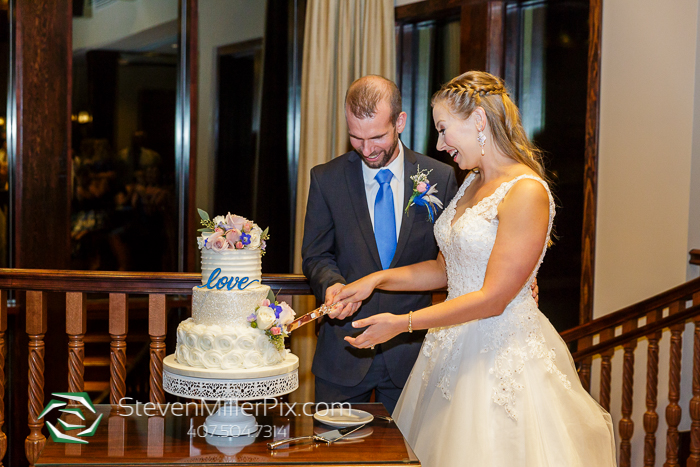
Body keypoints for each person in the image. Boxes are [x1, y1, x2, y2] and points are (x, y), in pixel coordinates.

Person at [331, 71, 617, 466]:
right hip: (451, 351)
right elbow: (444, 270)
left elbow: (493, 299)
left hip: (498, 359)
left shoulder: (525, 191)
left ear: (478, 120)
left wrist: (403, 323)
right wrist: (375, 280)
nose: (439, 144)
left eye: (443, 129)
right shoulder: (471, 183)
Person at [301, 75, 459, 413]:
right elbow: (316, 255)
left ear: (399, 122)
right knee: (332, 446)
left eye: (377, 137)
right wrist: (332, 285)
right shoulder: (326, 178)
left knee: (407, 448)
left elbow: (454, 257)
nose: (367, 149)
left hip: (410, 351)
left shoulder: (439, 177)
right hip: (343, 350)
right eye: (356, 137)